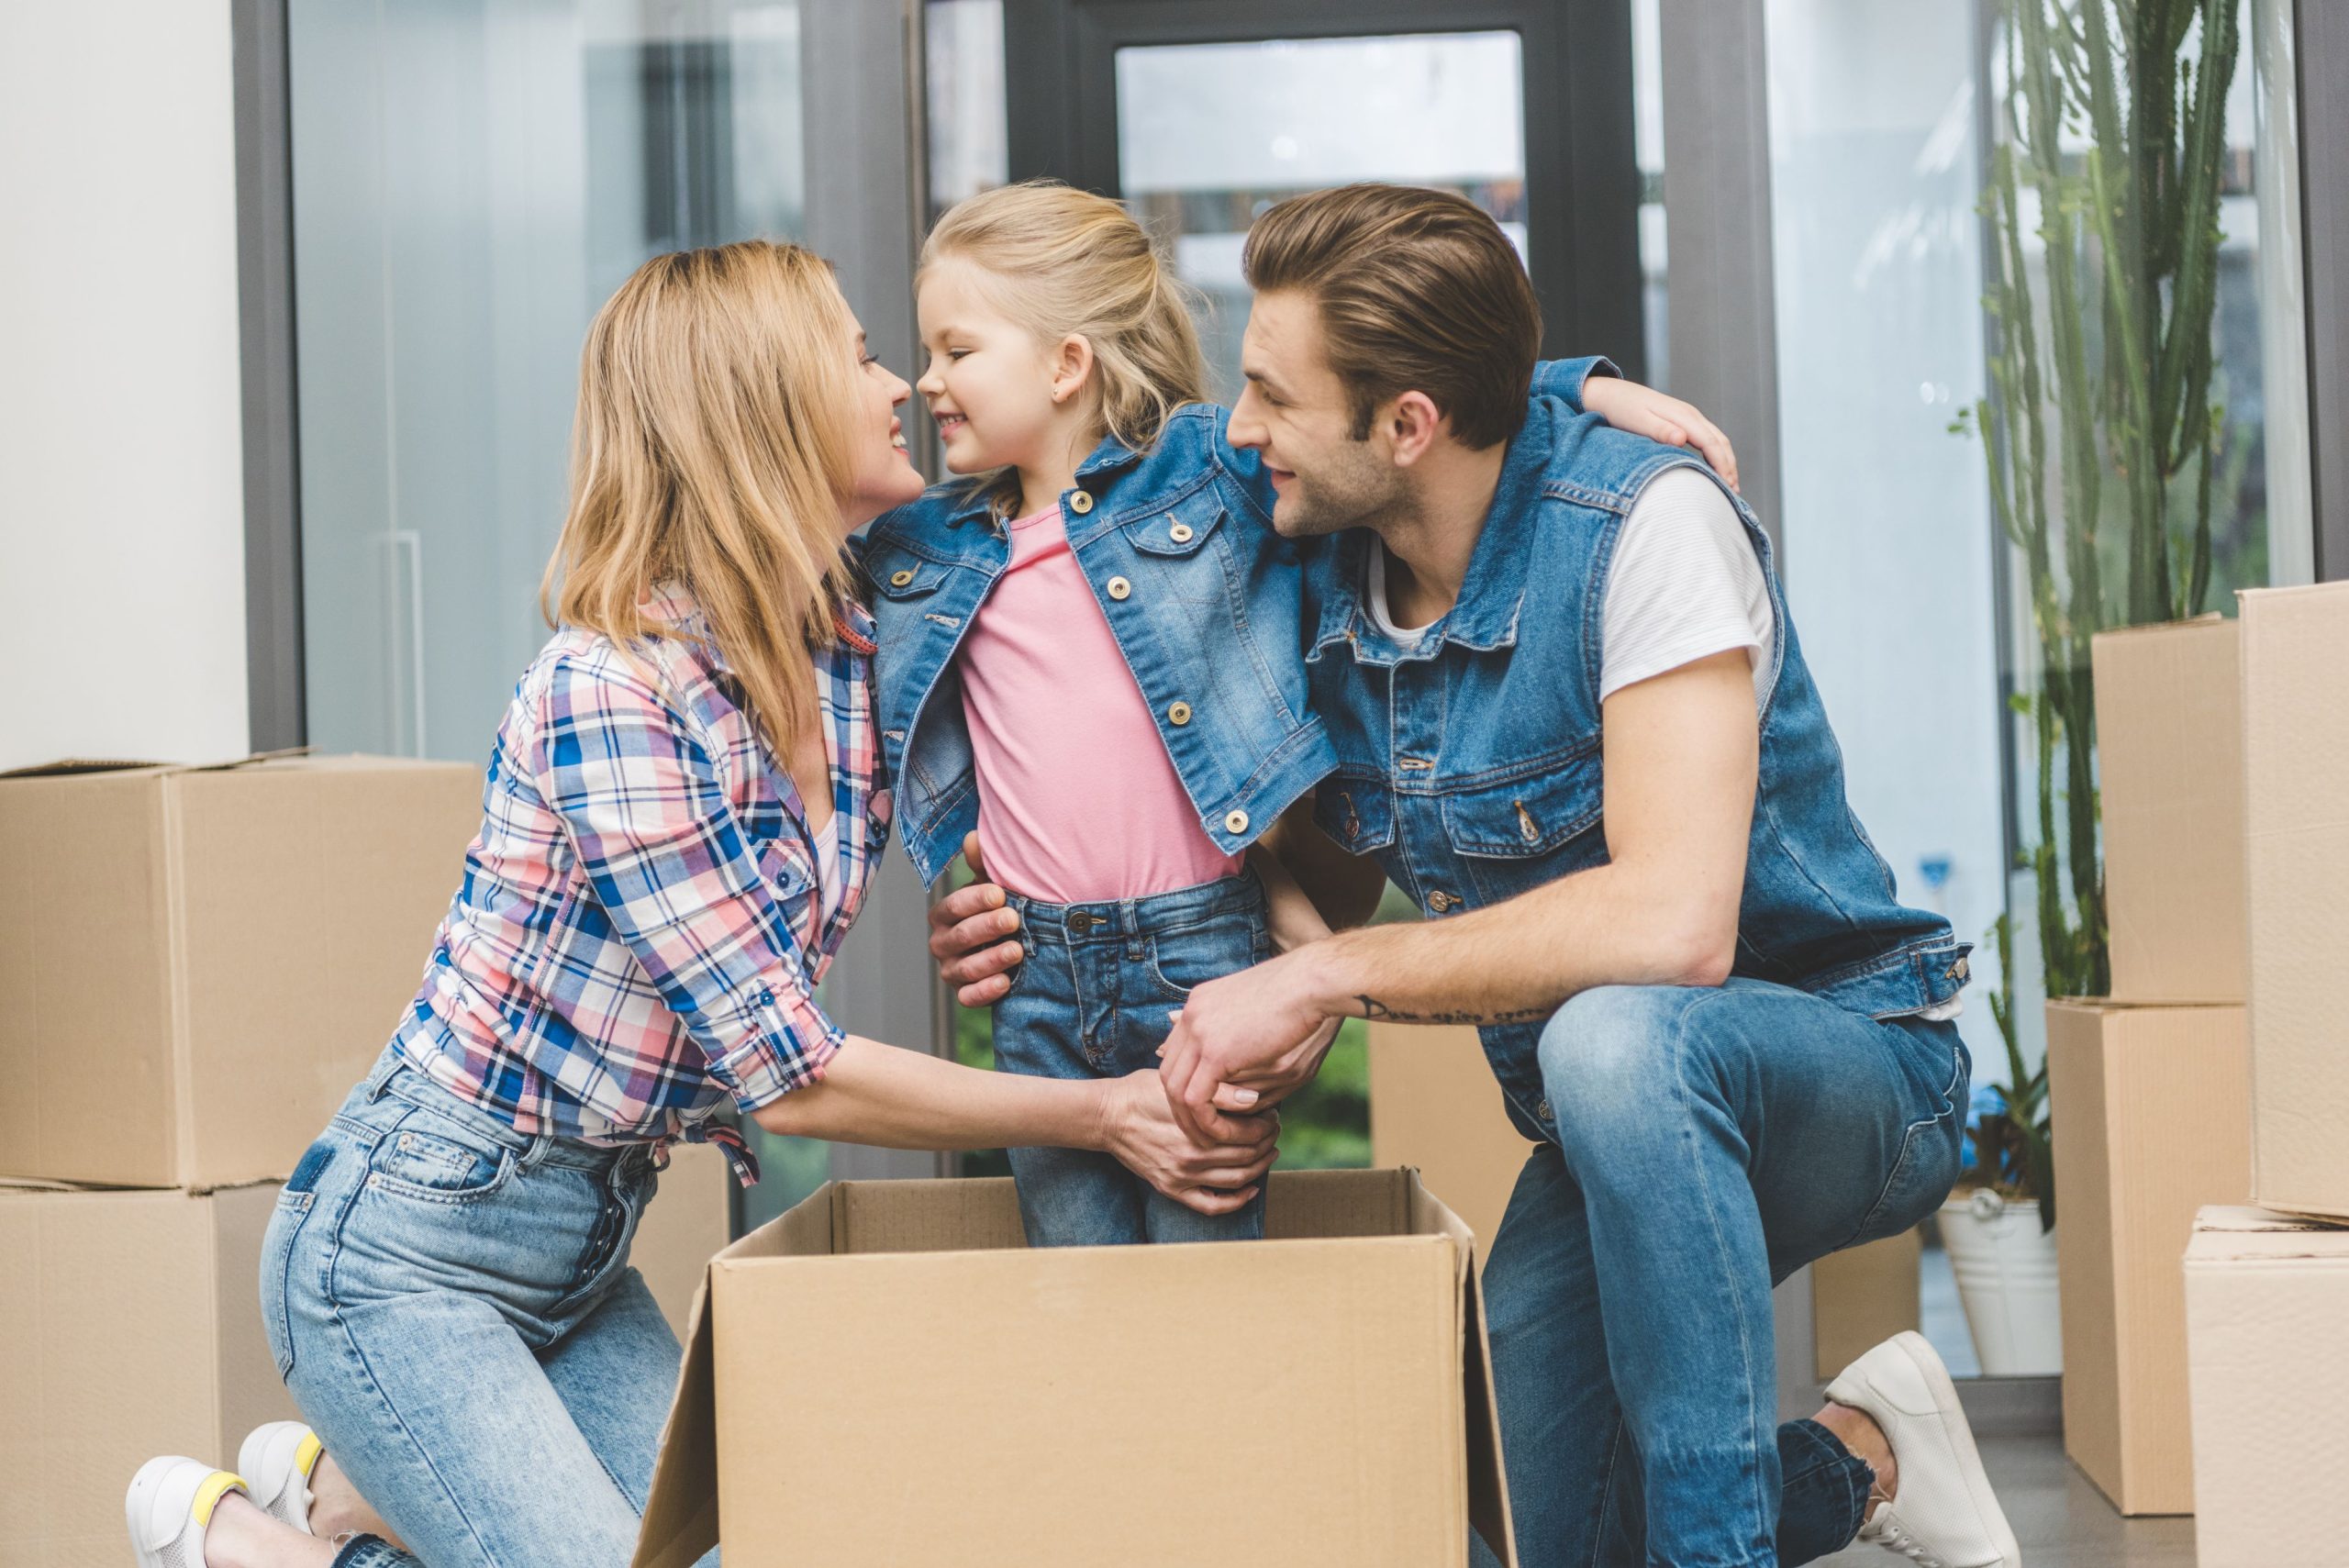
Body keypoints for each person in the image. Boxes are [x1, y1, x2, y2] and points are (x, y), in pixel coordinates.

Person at [124, 239, 1277, 1568]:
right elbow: (787, 1076)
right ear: (765, 408)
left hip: (582, 1252)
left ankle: (349, 1480)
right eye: (859, 356)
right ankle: (243, 1543)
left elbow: (1089, 644)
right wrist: (1107, 1111)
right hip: (406, 1259)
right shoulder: (608, 691)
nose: (901, 383)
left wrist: (1019, 903)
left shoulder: (851, 648)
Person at [941, 185, 2021, 1568]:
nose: (1243, 428)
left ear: (1406, 426)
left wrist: (1325, 976)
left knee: (1622, 1034)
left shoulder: (1643, 530)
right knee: (1516, 1516)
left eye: (1273, 394)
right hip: (1598, 1125)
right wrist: (1048, 907)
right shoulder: (1319, 556)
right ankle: (1863, 1461)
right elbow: (1311, 876)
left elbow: (1676, 927)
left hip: (1852, 1071)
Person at [867, 180, 1736, 1251]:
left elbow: (1407, 406)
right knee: (1073, 1284)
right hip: (1035, 973)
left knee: (1205, 1275)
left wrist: (1575, 391)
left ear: (1065, 365)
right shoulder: (920, 549)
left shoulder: (1200, 472)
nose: (923, 381)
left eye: (955, 351)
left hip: (1196, 954)